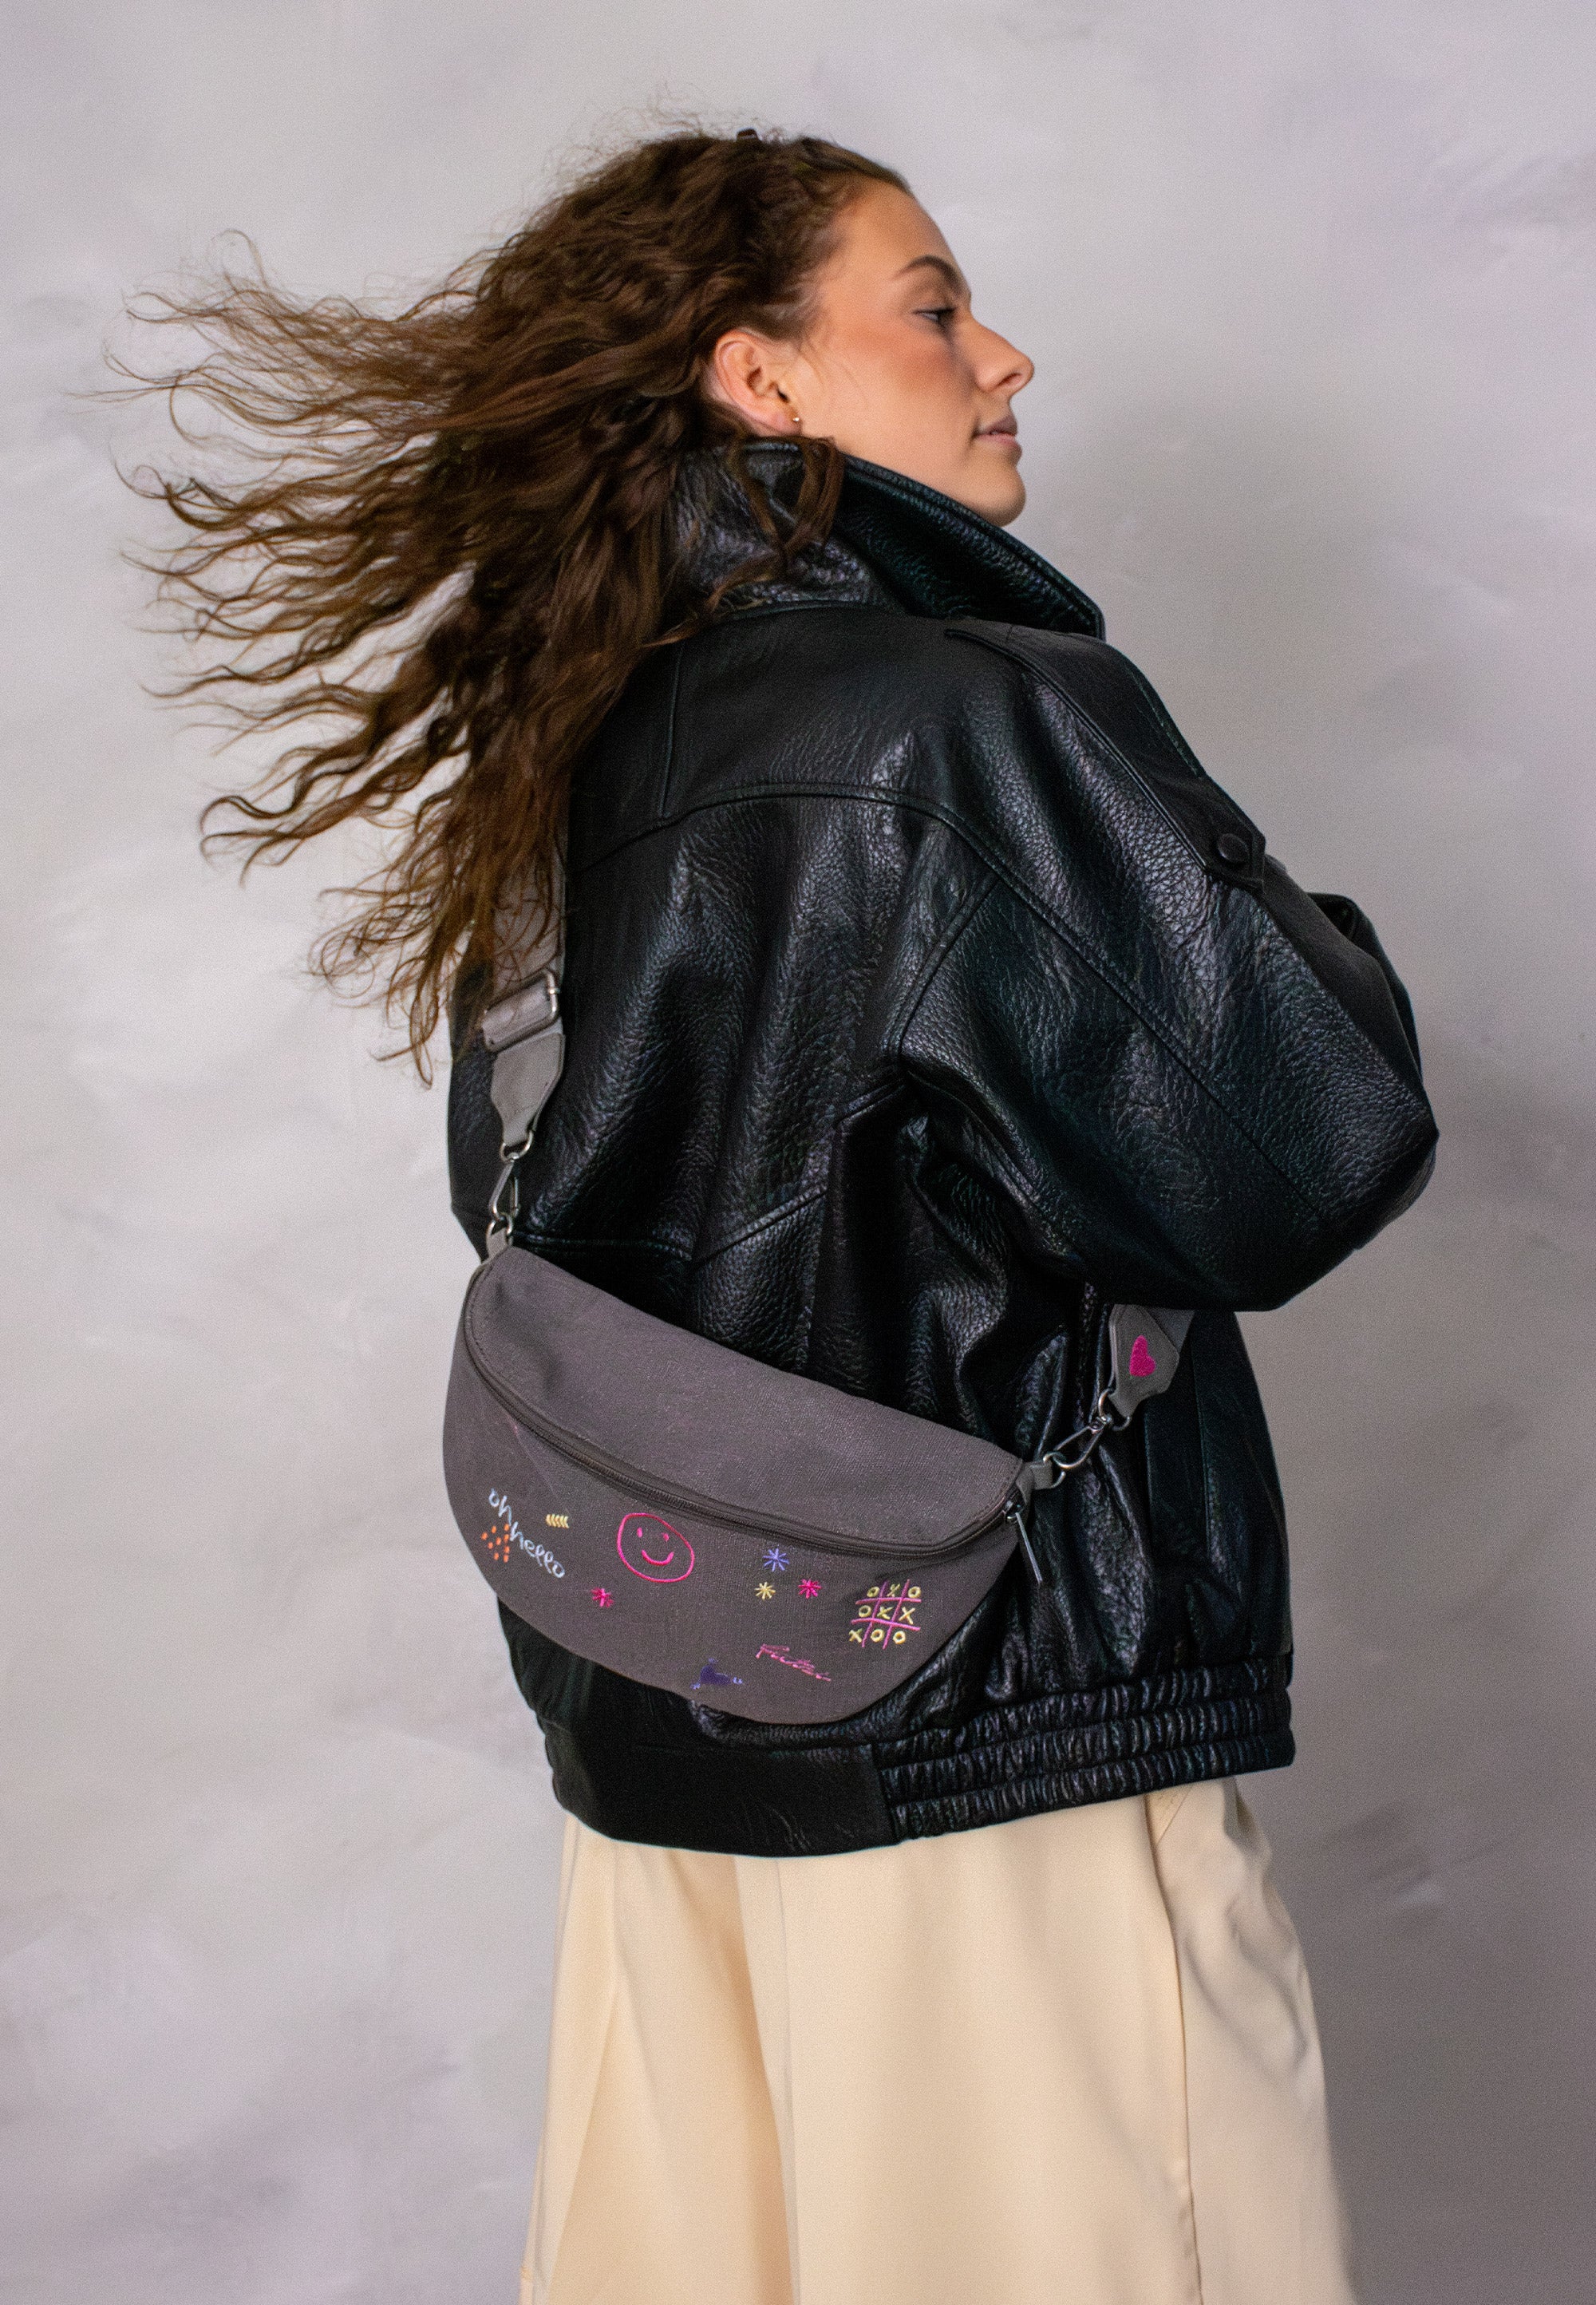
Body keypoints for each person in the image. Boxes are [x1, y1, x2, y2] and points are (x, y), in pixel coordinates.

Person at [135, 129, 1436, 2305]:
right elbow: (1299, 1149)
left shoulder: (570, 758)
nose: (1004, 353)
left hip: (671, 1726)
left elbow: (539, 1205)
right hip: (995, 1746)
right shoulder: (963, 720)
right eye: (932, 307)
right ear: (758, 376)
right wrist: (1317, 940)